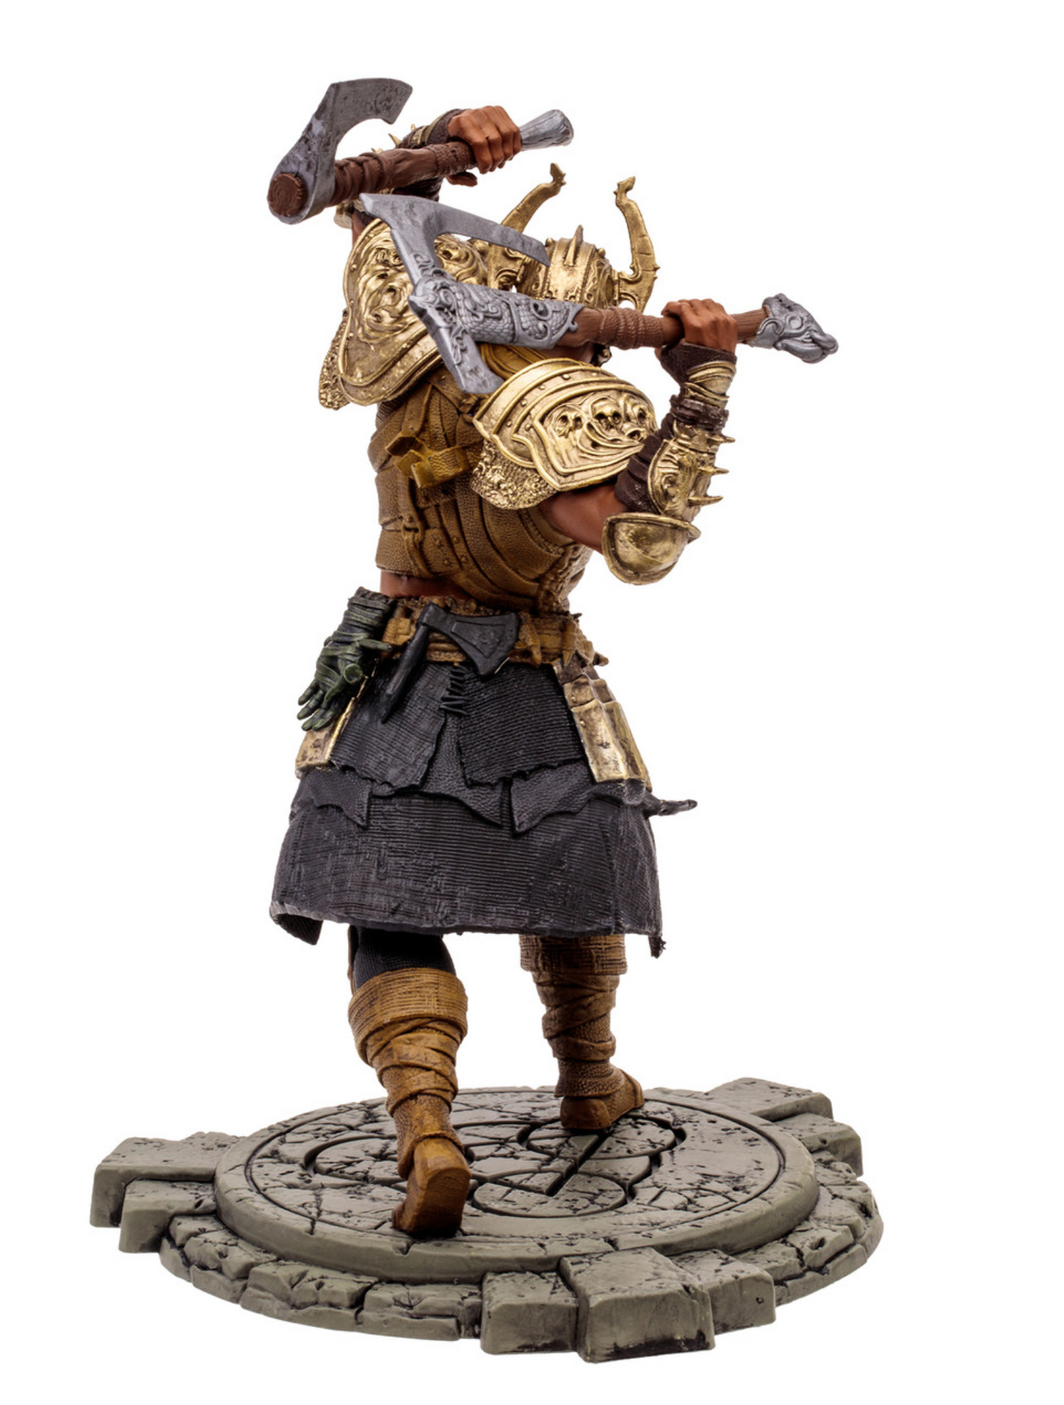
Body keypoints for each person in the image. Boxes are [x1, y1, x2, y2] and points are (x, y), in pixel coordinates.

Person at [270, 106, 741, 1235]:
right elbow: (641, 535)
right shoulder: (549, 402)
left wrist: (437, 143)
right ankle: (586, 1080)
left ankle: (427, 1128)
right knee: (568, 874)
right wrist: (704, 382)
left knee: (389, 905)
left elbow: (381, 229)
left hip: (394, 670)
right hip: (522, 680)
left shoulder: (402, 358)